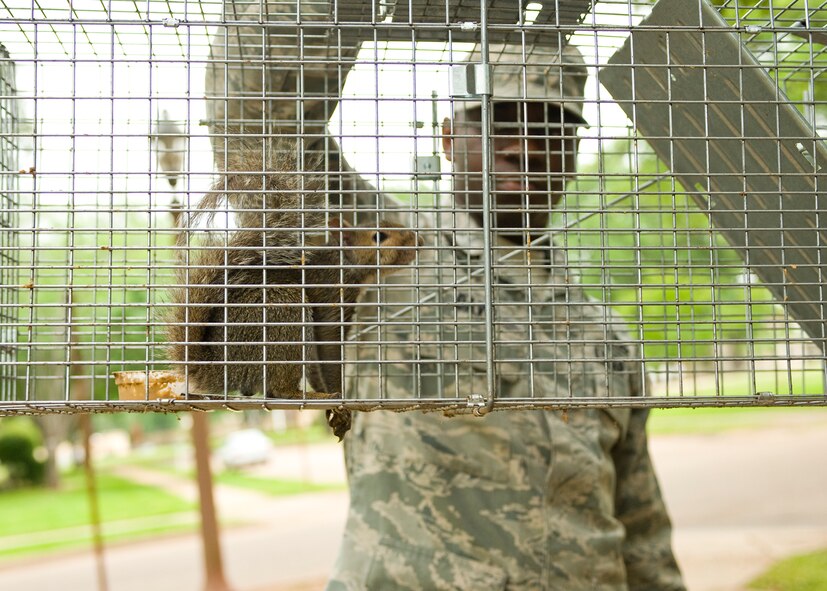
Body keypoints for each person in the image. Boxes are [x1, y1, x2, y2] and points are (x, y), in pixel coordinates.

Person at [205, 5, 685, 588]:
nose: (527, 148)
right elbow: (257, 132)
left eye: (553, 129)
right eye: (502, 121)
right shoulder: (383, 248)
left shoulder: (604, 336)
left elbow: (642, 528)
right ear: (451, 137)